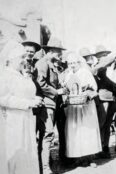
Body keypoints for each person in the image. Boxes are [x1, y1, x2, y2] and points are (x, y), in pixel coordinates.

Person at [0, 42, 43, 174]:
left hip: (26, 118)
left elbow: (26, 93)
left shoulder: (23, 75)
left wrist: (34, 100)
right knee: (15, 151)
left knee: (27, 150)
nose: (24, 60)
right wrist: (28, 103)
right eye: (21, 57)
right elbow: (3, 98)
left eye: (25, 57)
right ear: (10, 59)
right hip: (13, 119)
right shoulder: (5, 76)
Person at [62, 52, 102, 167]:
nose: (72, 65)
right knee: (75, 131)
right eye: (70, 63)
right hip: (74, 106)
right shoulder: (68, 74)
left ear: (79, 63)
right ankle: (78, 157)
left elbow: (94, 87)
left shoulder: (85, 72)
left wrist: (86, 91)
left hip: (86, 106)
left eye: (74, 63)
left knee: (86, 130)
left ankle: (90, 157)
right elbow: (66, 88)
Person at [35, 37, 67, 173]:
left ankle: (46, 164)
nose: (60, 55)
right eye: (59, 52)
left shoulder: (52, 65)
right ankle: (45, 167)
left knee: (48, 135)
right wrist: (57, 91)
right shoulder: (43, 63)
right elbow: (40, 83)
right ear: (52, 51)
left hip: (53, 104)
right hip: (46, 104)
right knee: (47, 134)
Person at [93, 45, 116, 157]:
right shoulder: (98, 67)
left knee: (108, 125)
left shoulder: (108, 68)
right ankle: (98, 148)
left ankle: (105, 147)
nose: (106, 56)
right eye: (103, 55)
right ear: (98, 57)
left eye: (106, 54)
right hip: (103, 98)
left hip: (111, 98)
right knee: (101, 124)